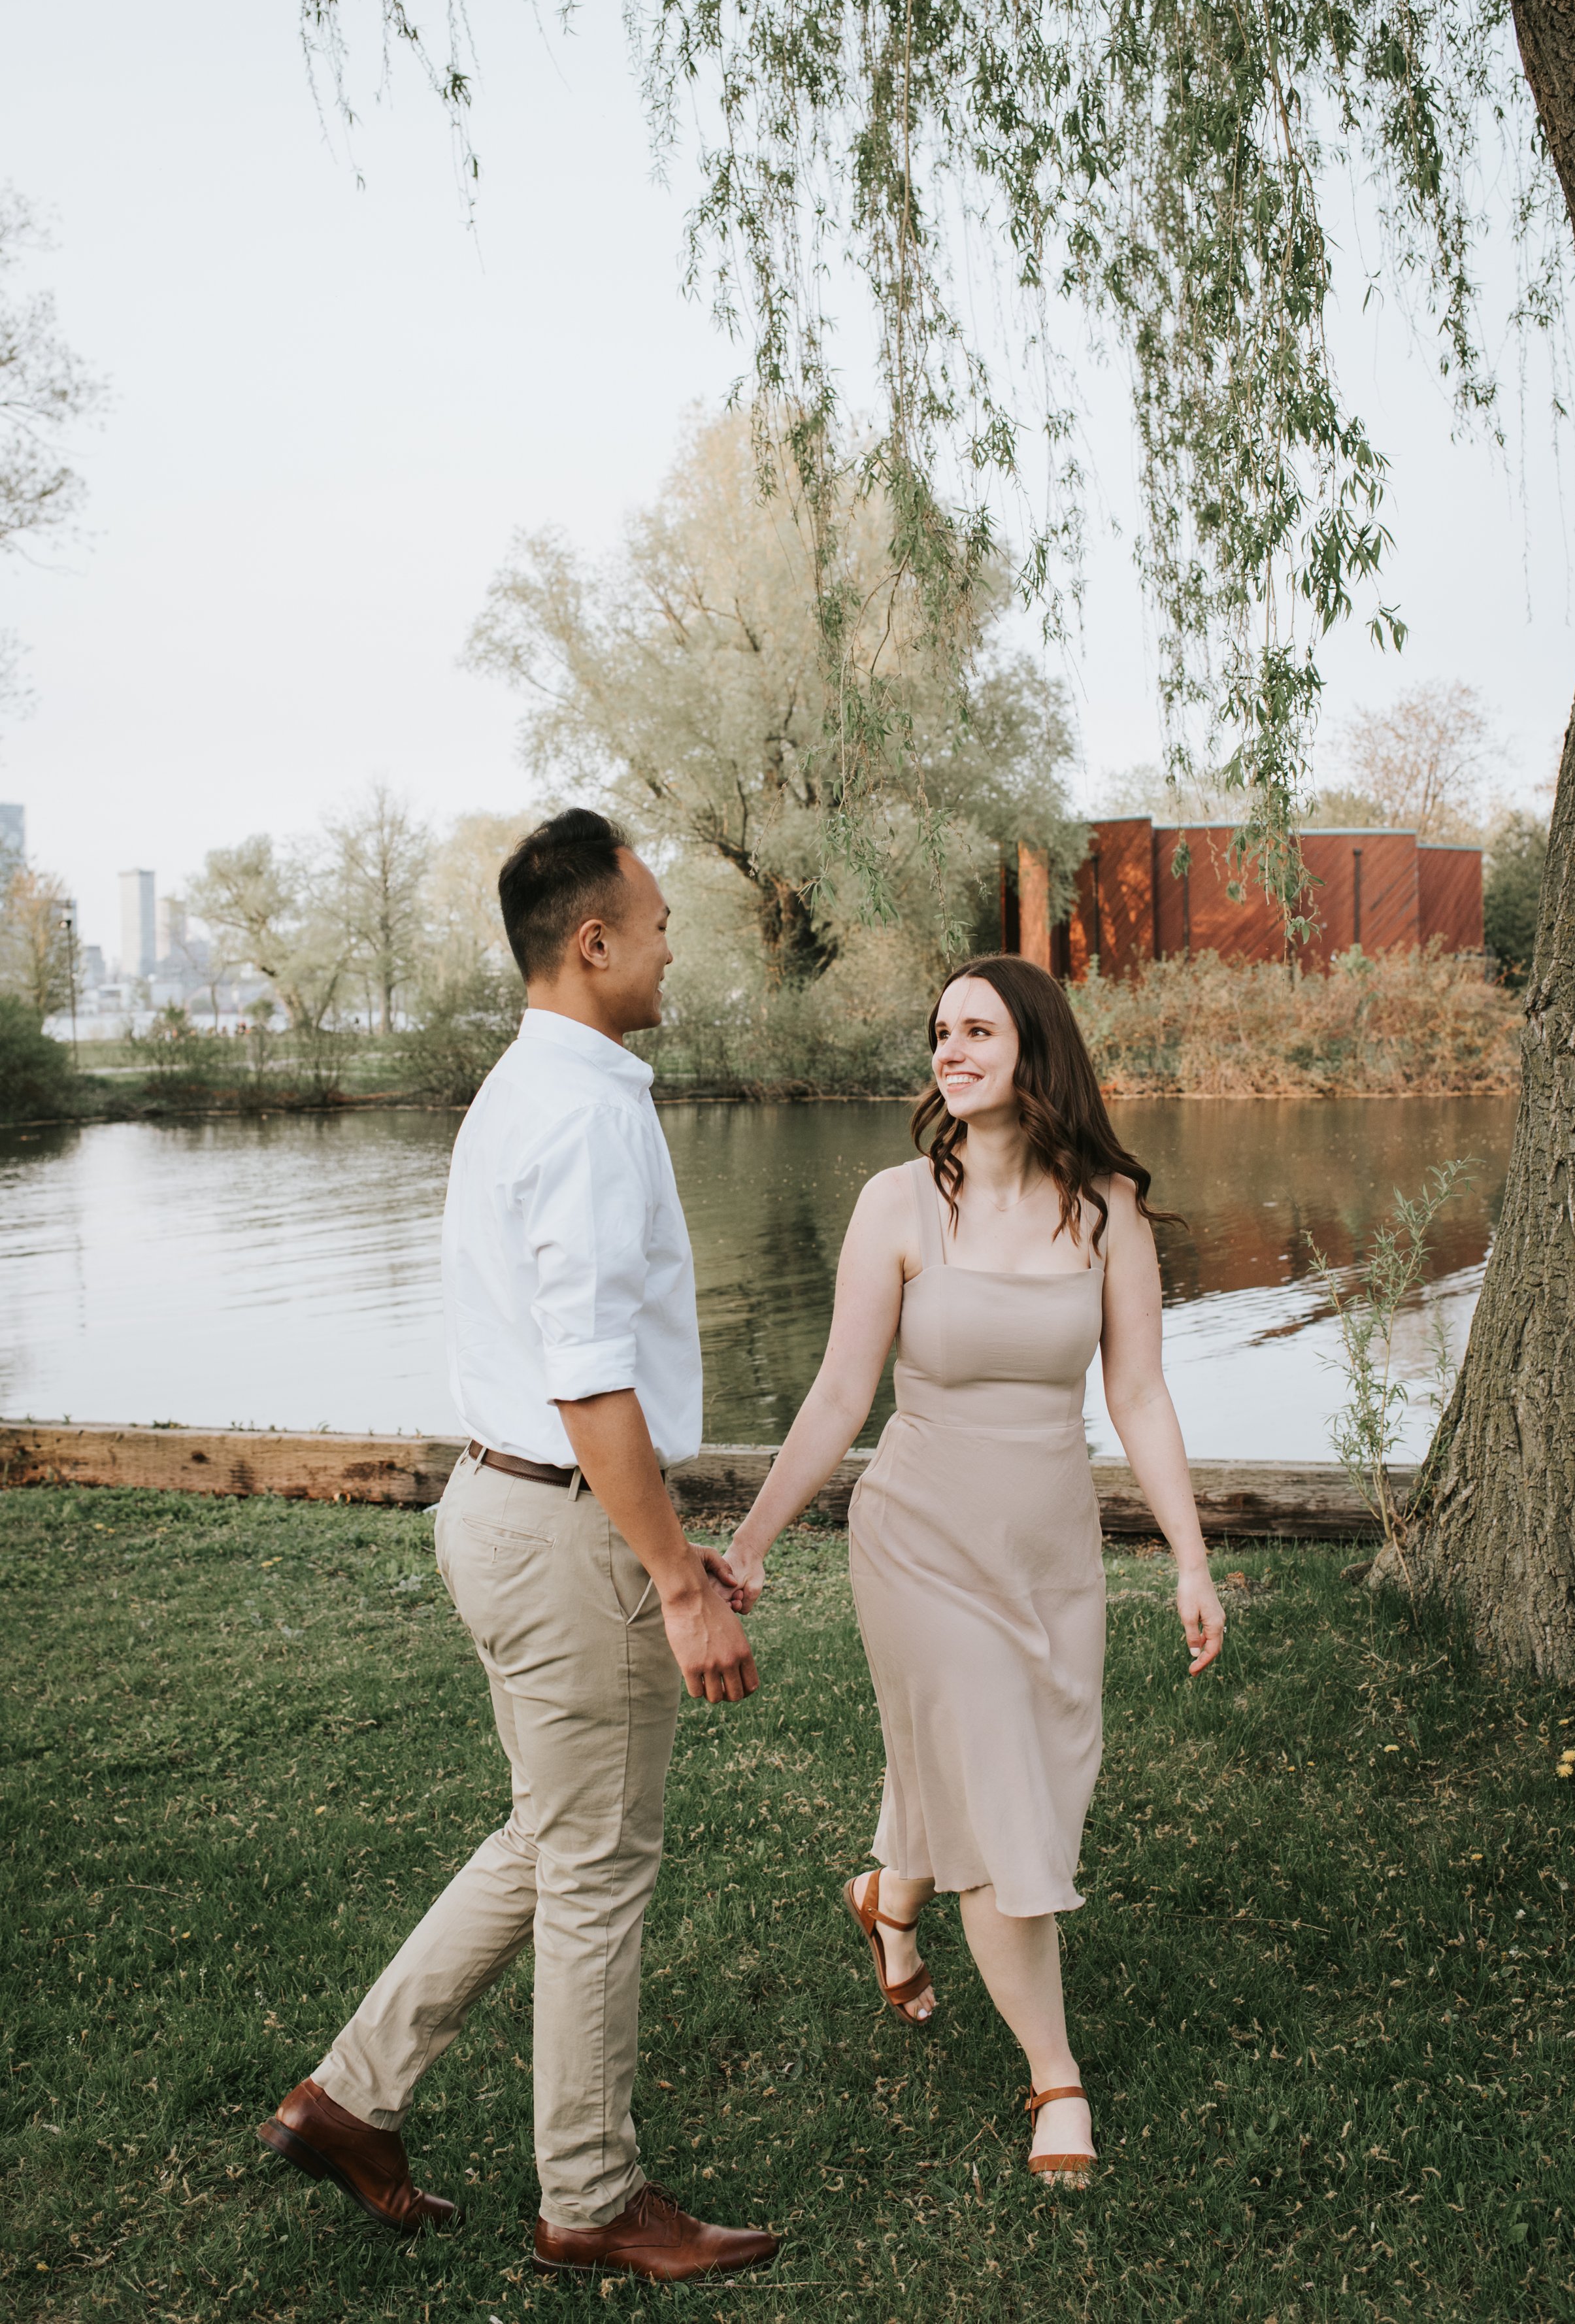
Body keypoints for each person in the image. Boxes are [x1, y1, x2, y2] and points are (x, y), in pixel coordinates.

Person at [259, 809, 778, 2285]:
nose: (675, 943)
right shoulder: (588, 1110)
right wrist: (673, 1581)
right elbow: (590, 1379)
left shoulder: (520, 1089)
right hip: (558, 1525)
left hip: (501, 1511)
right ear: (594, 941)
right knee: (599, 1861)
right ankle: (592, 2197)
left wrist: (660, 1545)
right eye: (659, 920)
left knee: (546, 1837)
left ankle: (349, 2099)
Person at [720, 954, 1225, 2182]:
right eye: (939, 1029)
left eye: (977, 1027)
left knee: (1026, 1776)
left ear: (1034, 1046)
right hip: (920, 1540)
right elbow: (843, 1391)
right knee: (1003, 1800)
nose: (950, 1048)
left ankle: (891, 1895)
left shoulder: (1104, 1206)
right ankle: (1057, 2077)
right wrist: (750, 1539)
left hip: (1049, 1549)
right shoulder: (895, 1204)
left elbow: (1141, 1392)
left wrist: (1191, 1559)